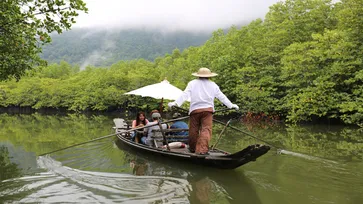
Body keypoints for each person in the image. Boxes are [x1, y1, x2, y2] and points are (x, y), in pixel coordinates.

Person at [168, 67, 239, 155]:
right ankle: (202, 150)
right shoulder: (213, 85)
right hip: (208, 111)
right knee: (206, 130)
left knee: (193, 130)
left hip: (195, 110)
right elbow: (221, 96)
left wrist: (176, 103)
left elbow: (185, 95)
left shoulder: (192, 83)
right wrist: (231, 105)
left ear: (198, 76)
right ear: (209, 76)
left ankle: (193, 148)